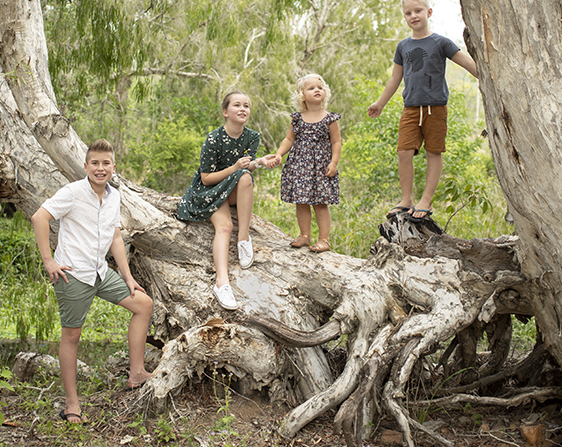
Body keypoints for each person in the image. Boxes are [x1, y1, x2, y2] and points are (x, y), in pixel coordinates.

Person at [31, 139, 153, 424]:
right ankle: (72, 404)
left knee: (143, 304)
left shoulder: (114, 196)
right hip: (72, 274)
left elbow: (115, 237)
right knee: (72, 336)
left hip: (100, 272)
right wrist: (48, 260)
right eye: (95, 163)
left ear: (113, 168)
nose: (100, 168)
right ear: (86, 166)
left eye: (106, 163)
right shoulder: (73, 192)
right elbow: (40, 217)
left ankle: (136, 373)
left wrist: (128, 277)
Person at [367, 0, 478, 222]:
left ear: (428, 12)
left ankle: (425, 200)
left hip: (435, 108)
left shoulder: (441, 42)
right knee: (404, 152)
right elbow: (395, 78)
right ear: (404, 17)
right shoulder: (403, 47)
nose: (413, 16)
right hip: (410, 108)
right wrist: (380, 103)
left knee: (433, 152)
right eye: (408, 13)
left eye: (418, 11)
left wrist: (488, 77)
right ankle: (406, 199)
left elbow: (466, 62)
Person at [177, 91, 274, 310]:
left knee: (246, 177)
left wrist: (259, 162)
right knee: (225, 226)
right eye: (237, 105)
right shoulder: (213, 139)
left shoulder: (252, 137)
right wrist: (234, 168)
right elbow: (206, 178)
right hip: (208, 190)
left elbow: (245, 167)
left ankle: (244, 239)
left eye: (246, 106)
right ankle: (222, 283)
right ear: (225, 111)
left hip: (232, 186)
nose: (242, 109)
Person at [269, 74, 341, 253]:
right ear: (302, 95)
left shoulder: (330, 119)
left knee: (320, 203)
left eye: (320, 87)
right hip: (300, 167)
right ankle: (305, 236)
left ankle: (324, 239)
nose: (317, 90)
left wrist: (334, 162)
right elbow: (289, 139)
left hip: (321, 167)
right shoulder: (297, 118)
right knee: (301, 202)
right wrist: (279, 153)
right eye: (311, 88)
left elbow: (336, 142)